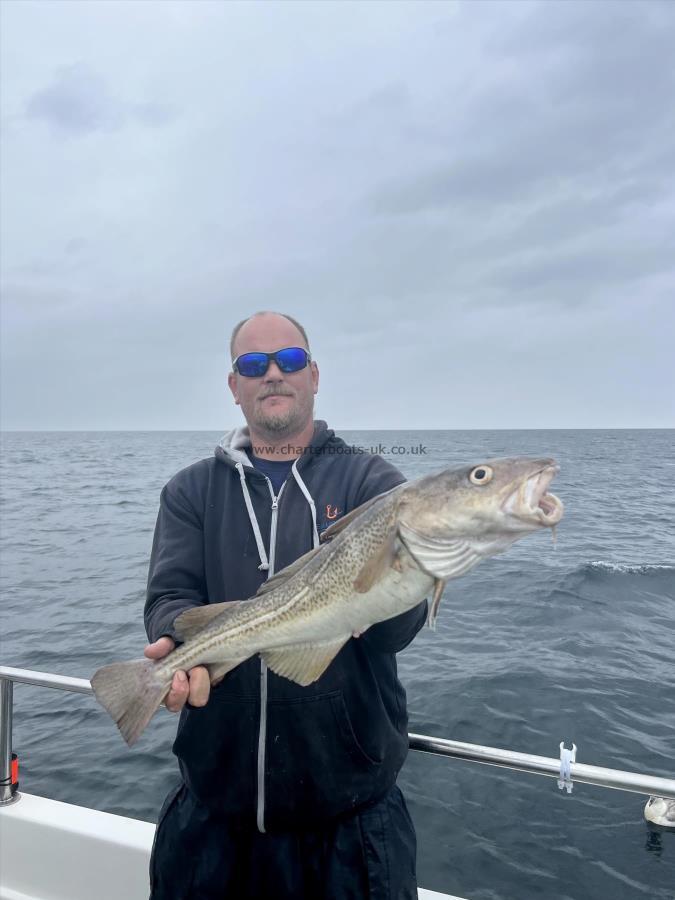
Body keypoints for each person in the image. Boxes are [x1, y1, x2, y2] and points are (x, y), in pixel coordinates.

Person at [144, 311, 428, 899]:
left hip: (352, 823)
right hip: (214, 821)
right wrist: (179, 640)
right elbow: (169, 597)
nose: (273, 374)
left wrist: (414, 574)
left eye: (289, 360)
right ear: (234, 387)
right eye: (254, 365)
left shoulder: (372, 483)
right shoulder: (190, 491)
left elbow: (396, 633)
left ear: (314, 375)